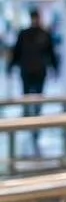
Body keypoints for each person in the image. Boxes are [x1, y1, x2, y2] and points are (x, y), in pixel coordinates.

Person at [7, 8, 59, 151]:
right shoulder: (26, 34)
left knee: (37, 97)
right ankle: (29, 117)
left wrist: (55, 68)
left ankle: (35, 118)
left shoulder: (43, 34)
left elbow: (51, 53)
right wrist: (10, 66)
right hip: (28, 70)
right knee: (28, 96)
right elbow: (17, 51)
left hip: (37, 71)